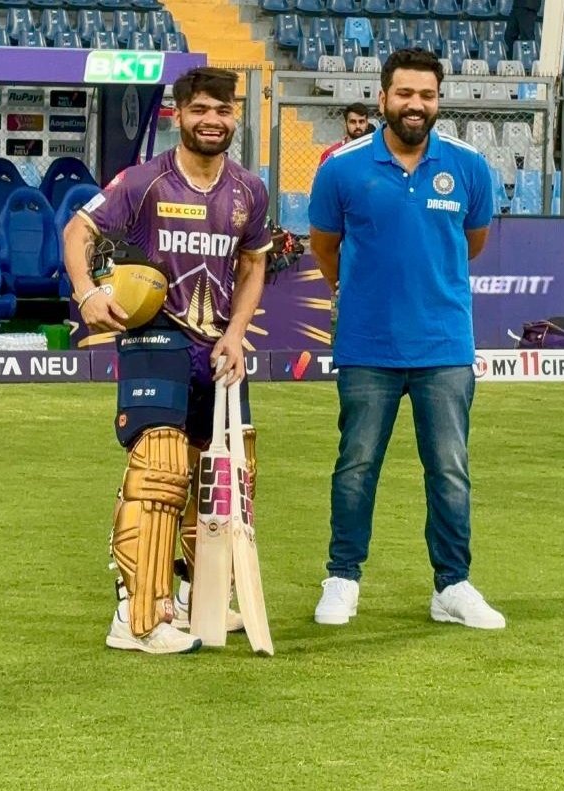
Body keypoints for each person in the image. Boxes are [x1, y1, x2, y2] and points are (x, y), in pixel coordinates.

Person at [63, 67, 272, 654]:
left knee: (223, 477)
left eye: (224, 109)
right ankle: (138, 615)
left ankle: (195, 597)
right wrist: (88, 294)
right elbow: (76, 232)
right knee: (160, 471)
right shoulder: (144, 181)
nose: (213, 120)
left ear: (237, 116)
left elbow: (253, 264)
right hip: (155, 336)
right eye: (201, 109)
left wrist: (235, 334)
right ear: (177, 114)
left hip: (217, 349)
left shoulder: (249, 191)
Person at [307, 48, 506, 630]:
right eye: (405, 94)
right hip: (367, 345)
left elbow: (471, 242)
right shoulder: (342, 167)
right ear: (383, 98)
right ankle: (342, 578)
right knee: (356, 466)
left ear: (437, 101)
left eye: (426, 95)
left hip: (444, 346)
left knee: (449, 470)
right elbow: (325, 246)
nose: (415, 105)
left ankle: (452, 586)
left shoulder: (468, 166)